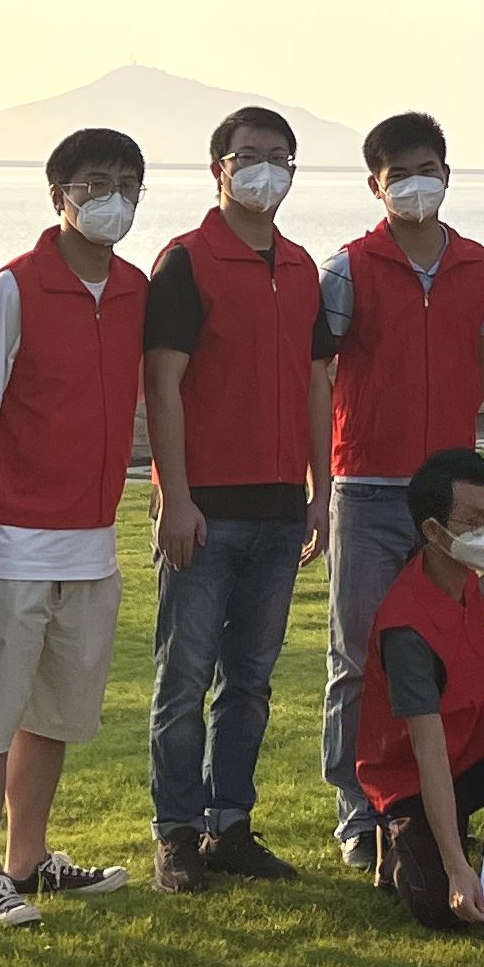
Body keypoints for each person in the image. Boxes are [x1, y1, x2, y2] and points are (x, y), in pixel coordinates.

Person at [0, 127, 154, 927]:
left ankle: (29, 858)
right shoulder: (12, 290)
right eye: (95, 183)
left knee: (54, 713)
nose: (112, 198)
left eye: (127, 184)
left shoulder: (134, 290)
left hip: (91, 544)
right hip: (6, 543)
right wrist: (10, 485)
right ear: (59, 194)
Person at [142, 105, 335, 891]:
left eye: (279, 157)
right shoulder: (186, 261)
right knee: (184, 678)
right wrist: (174, 496)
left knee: (250, 681)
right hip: (206, 510)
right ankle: (176, 833)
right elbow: (163, 384)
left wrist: (321, 492)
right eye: (249, 155)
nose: (265, 170)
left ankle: (230, 826)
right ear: (217, 167)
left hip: (281, 510)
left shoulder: (301, 267)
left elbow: (318, 384)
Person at [318, 113, 484, 876]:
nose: (415, 184)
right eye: (399, 173)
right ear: (376, 185)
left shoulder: (480, 268)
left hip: (449, 494)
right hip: (367, 487)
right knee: (357, 654)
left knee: (452, 641)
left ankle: (439, 803)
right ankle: (359, 814)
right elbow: (320, 369)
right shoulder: (349, 268)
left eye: (427, 168)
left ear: (447, 174)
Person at [357, 448, 484, 934]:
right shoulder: (407, 630)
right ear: (432, 530)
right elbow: (428, 754)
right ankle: (400, 838)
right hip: (417, 776)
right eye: (473, 522)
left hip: (477, 749)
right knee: (439, 907)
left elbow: (472, 601)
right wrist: (456, 866)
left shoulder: (456, 576)